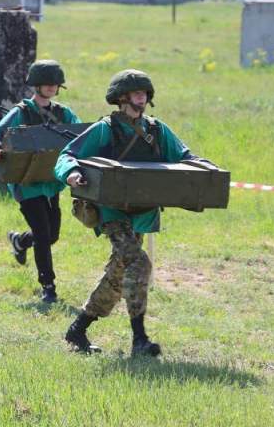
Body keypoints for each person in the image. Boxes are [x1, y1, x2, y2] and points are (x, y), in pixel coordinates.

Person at [54, 69, 216, 356]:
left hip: (143, 212)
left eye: (144, 92)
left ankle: (78, 329)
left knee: (119, 272)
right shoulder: (106, 128)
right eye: (136, 92)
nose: (142, 96)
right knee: (139, 264)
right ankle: (139, 340)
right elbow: (67, 155)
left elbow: (184, 156)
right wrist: (72, 173)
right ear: (122, 97)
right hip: (111, 212)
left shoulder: (156, 130)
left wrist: (205, 167)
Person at [0, 60, 82, 304]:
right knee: (42, 231)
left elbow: (81, 135)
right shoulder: (20, 112)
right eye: (46, 83)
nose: (51, 87)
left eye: (55, 83)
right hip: (26, 183)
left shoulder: (64, 113)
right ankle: (48, 287)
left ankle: (20, 240)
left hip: (51, 181)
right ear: (36, 84)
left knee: (51, 235)